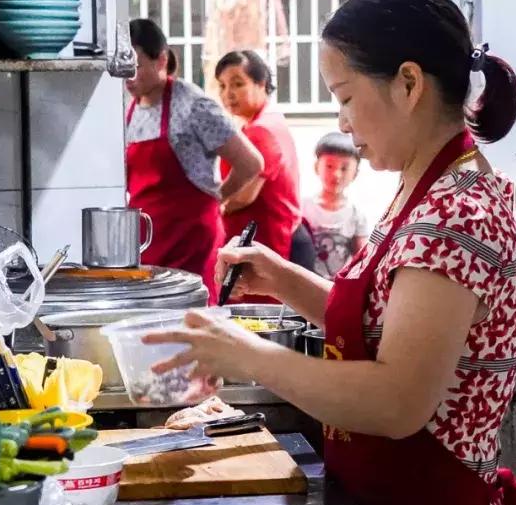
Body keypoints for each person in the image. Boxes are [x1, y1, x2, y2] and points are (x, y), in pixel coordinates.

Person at [144, 0, 516, 505]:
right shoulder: (425, 188)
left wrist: (248, 355)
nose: (342, 123)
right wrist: (285, 279)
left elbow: (397, 400)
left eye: (346, 97)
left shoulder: (455, 213)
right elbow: (390, 325)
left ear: (408, 84)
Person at [123, 20, 263, 303]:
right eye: (123, 67)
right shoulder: (130, 110)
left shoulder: (193, 105)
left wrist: (217, 198)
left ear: (162, 60)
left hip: (191, 240)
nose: (129, 76)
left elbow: (251, 163)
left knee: (192, 313)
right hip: (148, 240)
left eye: (135, 65)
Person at [214, 50, 309, 288]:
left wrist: (212, 208)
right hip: (278, 237)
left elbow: (244, 196)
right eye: (222, 86)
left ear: (261, 83)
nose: (228, 94)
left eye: (238, 84)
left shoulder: (261, 130)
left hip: (273, 241)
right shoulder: (269, 120)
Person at [303, 131, 371, 279]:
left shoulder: (356, 215)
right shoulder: (303, 208)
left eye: (344, 168)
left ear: (355, 173)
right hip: (306, 283)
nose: (336, 174)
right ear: (316, 167)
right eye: (329, 166)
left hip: (338, 287)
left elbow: (362, 258)